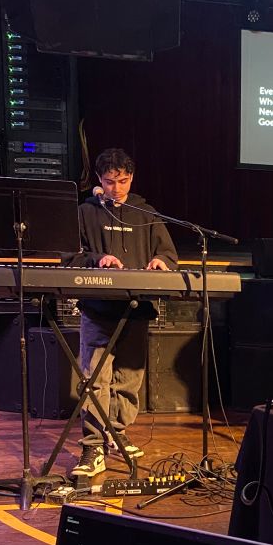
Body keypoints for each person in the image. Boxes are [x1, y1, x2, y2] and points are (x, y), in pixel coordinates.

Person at [72, 148, 178, 478]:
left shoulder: (145, 212)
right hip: (99, 309)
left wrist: (161, 261)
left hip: (137, 308)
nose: (117, 188)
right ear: (98, 180)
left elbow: (168, 253)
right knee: (95, 379)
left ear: (131, 178)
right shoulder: (85, 212)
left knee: (129, 379)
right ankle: (93, 444)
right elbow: (69, 255)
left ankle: (116, 432)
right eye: (109, 182)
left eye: (123, 181)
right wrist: (98, 259)